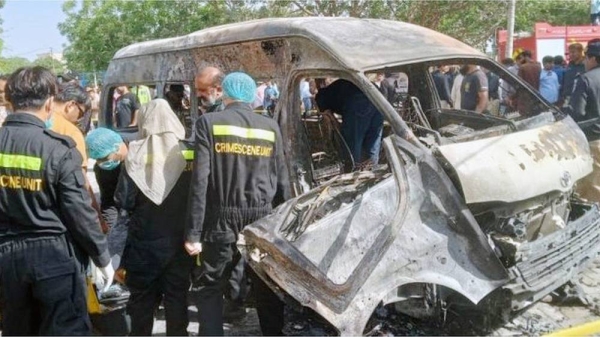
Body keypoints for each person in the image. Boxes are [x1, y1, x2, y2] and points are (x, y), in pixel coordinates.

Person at [0, 66, 113, 335]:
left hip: (5, 258)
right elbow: (79, 211)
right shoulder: (57, 147)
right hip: (52, 257)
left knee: (17, 329)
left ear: (9, 100)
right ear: (50, 102)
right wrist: (102, 256)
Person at [185, 72, 290, 336]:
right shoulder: (270, 127)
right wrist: (286, 225)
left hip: (222, 217)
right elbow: (282, 180)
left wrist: (194, 233)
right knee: (266, 286)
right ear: (253, 94)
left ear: (225, 93)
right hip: (262, 219)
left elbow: (200, 181)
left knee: (210, 286)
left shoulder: (208, 122)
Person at [117, 99, 194, 335]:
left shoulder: (134, 155)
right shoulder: (189, 153)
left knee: (141, 303)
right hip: (180, 242)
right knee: (177, 300)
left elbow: (124, 201)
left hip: (143, 244)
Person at [316, 79, 384, 165]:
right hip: (378, 98)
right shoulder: (337, 88)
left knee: (353, 143)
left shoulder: (322, 98)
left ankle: (353, 170)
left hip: (358, 101)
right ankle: (373, 168)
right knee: (373, 141)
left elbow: (329, 117)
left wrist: (337, 125)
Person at [565, 38, 600, 203]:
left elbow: (577, 112)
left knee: (591, 188)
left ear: (592, 58)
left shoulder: (586, 79)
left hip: (593, 139)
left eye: (586, 58)